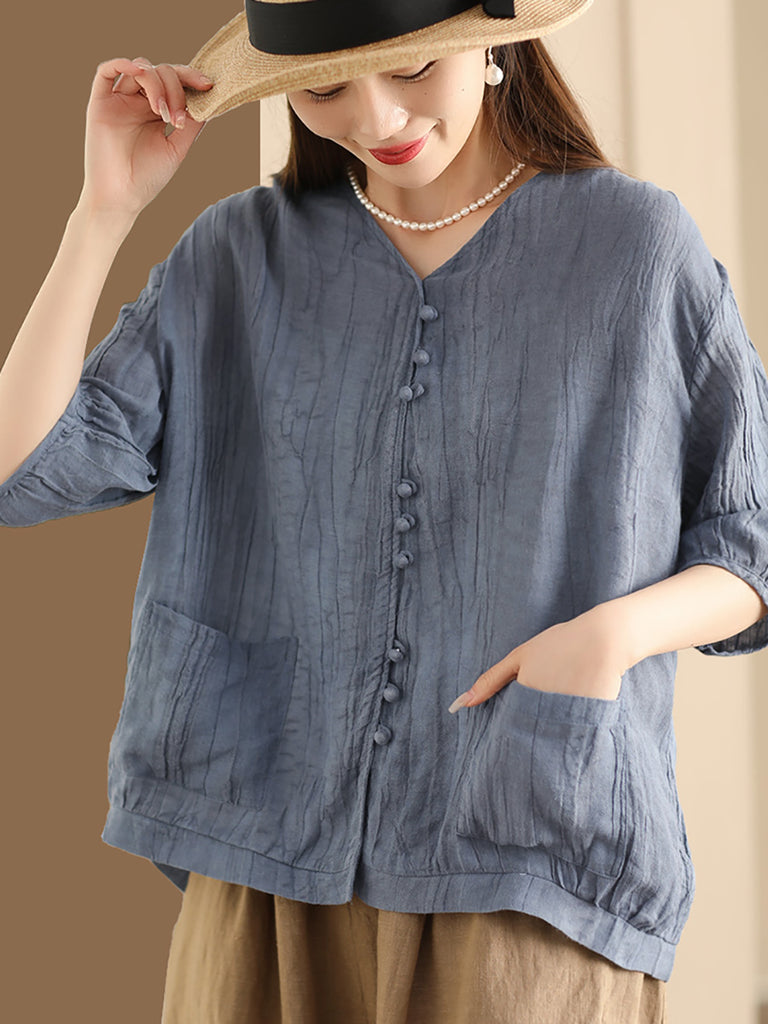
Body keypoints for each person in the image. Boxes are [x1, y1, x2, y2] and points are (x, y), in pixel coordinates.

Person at [1, 0, 767, 1020]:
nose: (374, 118)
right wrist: (102, 211)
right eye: (323, 86)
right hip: (257, 854)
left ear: (489, 42)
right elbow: (25, 469)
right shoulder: (235, 255)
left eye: (409, 69)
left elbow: (752, 539)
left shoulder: (634, 247)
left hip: (528, 854)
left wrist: (605, 639)